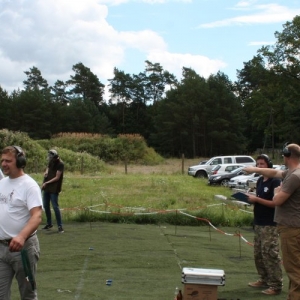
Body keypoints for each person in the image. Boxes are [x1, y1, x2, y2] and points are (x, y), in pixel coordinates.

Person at [244, 143, 300, 300]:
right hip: (291, 226)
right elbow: (274, 172)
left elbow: (277, 200)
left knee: (294, 269)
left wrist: (277, 192)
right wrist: (255, 170)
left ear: (286, 155)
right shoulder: (292, 173)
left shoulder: (295, 176)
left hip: (291, 227)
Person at [0, 146, 43, 299]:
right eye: (2, 160)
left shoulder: (29, 185)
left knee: (28, 294)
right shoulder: (2, 183)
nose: (4, 164)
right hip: (2, 249)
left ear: (20, 162)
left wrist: (21, 236)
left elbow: (37, 216)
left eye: (8, 161)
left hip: (24, 249)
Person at [247, 154, 282, 295]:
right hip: (259, 221)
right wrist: (250, 199)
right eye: (258, 164)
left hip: (270, 223)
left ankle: (276, 284)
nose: (260, 167)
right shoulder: (260, 180)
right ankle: (264, 278)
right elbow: (259, 199)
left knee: (270, 253)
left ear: (269, 165)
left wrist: (257, 199)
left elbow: (275, 203)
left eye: (262, 164)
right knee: (259, 254)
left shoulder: (275, 182)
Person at [41, 149, 64, 233]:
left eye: (51, 157)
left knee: (55, 206)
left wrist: (46, 182)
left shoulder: (60, 164)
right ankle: (49, 223)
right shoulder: (51, 161)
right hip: (47, 187)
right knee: (46, 205)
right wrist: (46, 172)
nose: (50, 159)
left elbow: (57, 178)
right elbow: (48, 167)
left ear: (55, 157)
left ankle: (60, 226)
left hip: (54, 188)